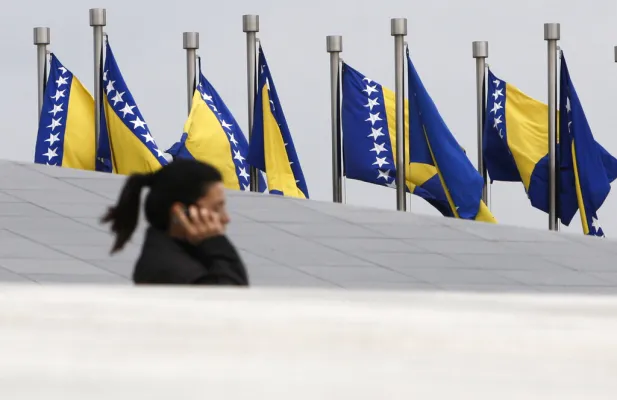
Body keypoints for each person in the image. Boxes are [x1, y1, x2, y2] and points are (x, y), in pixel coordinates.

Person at [101, 159, 249, 286]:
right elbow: (232, 300)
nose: (226, 218)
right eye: (216, 208)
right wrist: (217, 244)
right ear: (180, 212)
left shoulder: (191, 253)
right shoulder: (171, 271)